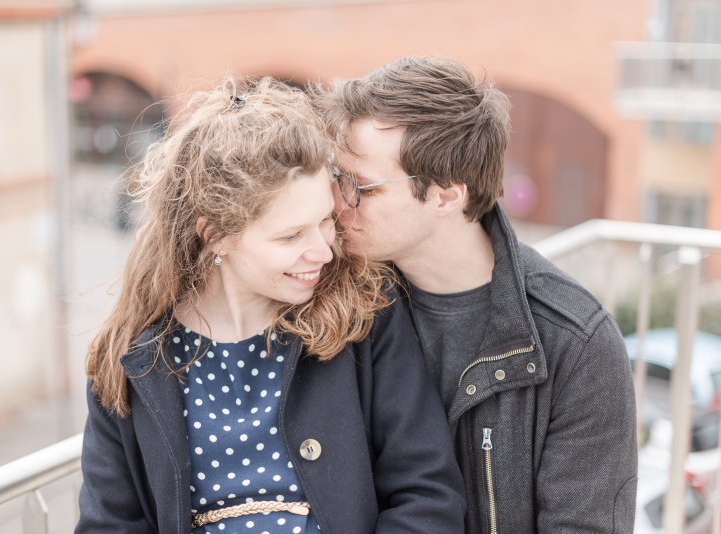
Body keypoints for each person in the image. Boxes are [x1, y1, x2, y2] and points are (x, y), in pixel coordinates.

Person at [76, 76, 466, 534]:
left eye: (325, 221)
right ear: (215, 234)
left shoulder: (365, 316)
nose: (323, 251)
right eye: (291, 236)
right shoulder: (133, 361)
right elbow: (108, 524)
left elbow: (428, 493)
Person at [312, 56, 638, 533]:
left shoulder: (576, 343)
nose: (338, 203)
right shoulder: (332, 298)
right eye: (336, 177)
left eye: (363, 187)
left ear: (447, 196)